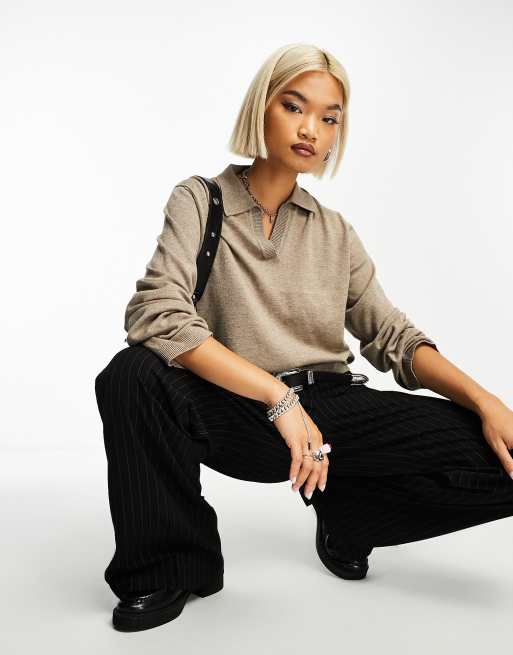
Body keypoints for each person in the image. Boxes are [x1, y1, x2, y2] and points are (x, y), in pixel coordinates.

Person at [94, 42, 513, 632]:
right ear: (261, 107)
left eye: (329, 117)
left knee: (502, 454)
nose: (311, 129)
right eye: (294, 106)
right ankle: (169, 566)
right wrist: (276, 397)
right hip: (239, 408)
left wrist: (487, 402)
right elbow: (157, 313)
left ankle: (353, 519)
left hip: (332, 409)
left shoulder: (335, 232)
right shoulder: (199, 201)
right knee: (131, 374)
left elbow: (391, 335)